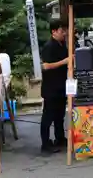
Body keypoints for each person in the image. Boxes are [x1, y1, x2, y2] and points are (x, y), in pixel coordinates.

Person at [40, 19, 69, 154]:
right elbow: (45, 66)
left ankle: (60, 138)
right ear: (53, 31)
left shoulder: (62, 44)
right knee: (48, 116)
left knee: (60, 115)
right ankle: (45, 144)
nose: (64, 33)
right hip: (51, 87)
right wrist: (64, 61)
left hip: (61, 85)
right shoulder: (49, 46)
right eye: (61, 31)